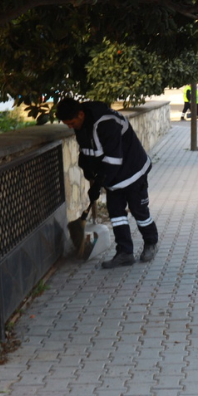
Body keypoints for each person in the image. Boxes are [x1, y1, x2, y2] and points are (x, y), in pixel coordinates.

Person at [56, 98, 159, 269]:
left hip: (133, 172)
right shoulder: (81, 126)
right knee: (116, 214)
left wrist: (99, 184)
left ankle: (151, 242)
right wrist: (89, 173)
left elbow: (113, 159)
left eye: (71, 123)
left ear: (80, 114)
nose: (70, 127)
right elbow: (86, 153)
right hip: (113, 177)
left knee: (139, 210)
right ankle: (125, 253)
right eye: (67, 124)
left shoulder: (107, 123)